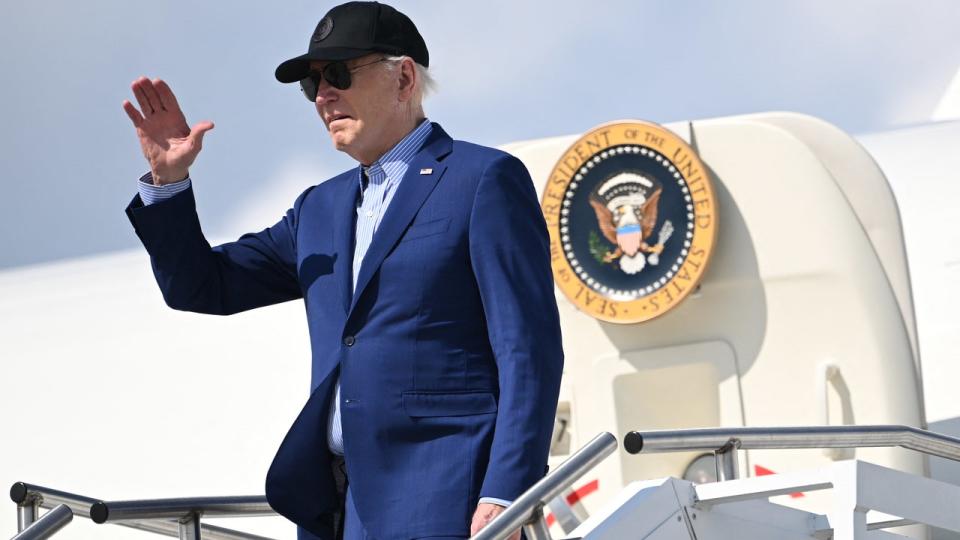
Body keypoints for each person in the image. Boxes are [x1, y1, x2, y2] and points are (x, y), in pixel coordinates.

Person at [121, 2, 563, 539]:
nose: (324, 96)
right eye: (312, 86)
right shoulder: (319, 209)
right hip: (339, 513)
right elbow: (202, 286)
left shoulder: (483, 180)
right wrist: (168, 184)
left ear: (403, 78)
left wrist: (507, 492)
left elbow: (528, 350)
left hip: (447, 499)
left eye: (338, 74)